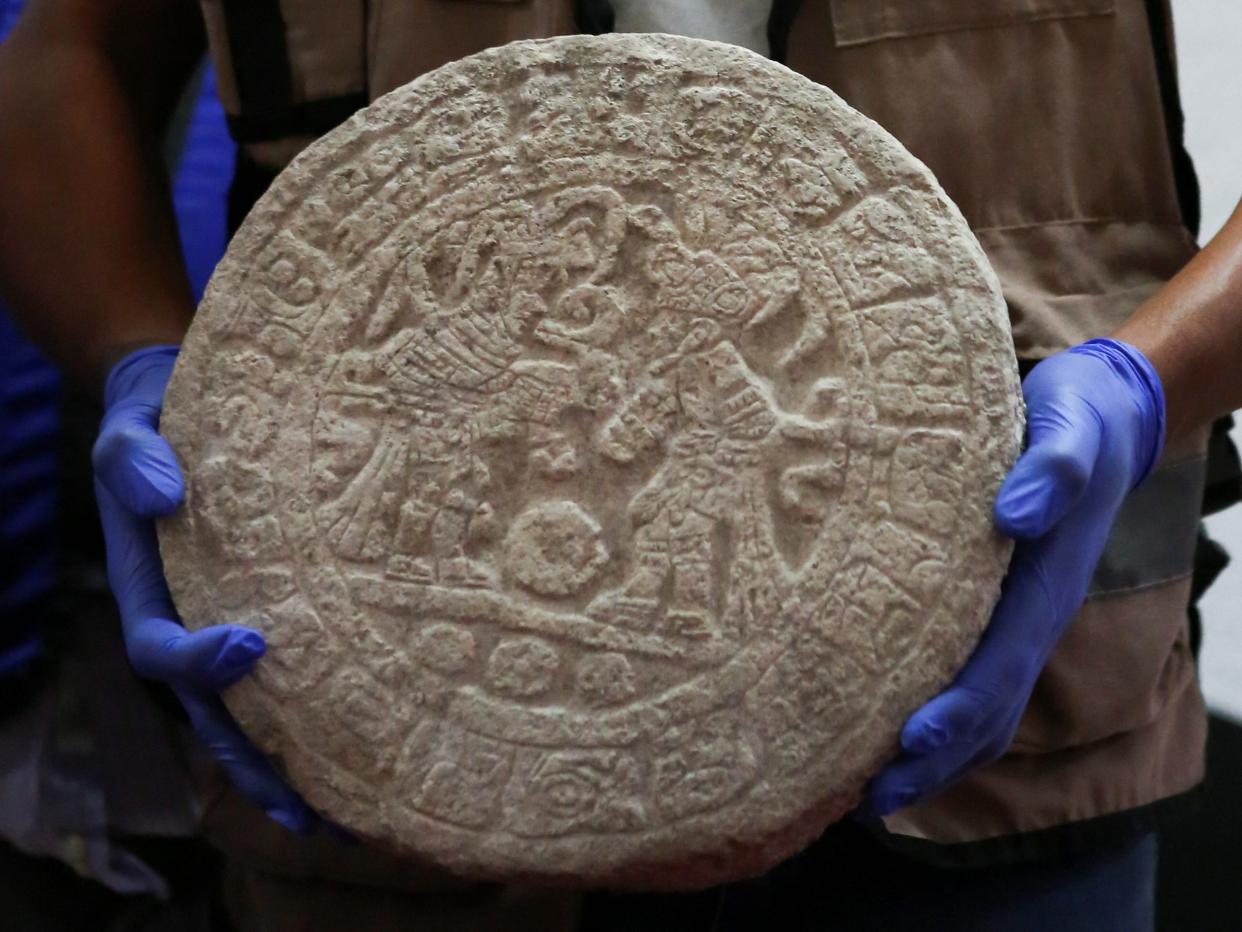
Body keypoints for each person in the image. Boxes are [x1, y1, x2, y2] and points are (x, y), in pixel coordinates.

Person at [0, 0, 1239, 929]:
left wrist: (1152, 380)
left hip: (1021, 759)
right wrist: (138, 353)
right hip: (386, 788)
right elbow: (66, 58)